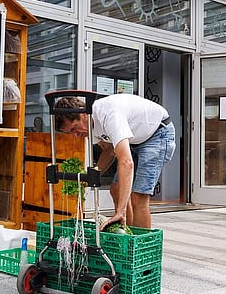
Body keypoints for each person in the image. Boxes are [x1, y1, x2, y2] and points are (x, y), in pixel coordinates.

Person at [54, 93, 176, 229]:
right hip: (136, 138)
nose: (76, 135)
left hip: (157, 133)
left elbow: (126, 163)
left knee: (138, 196)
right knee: (116, 189)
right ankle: (127, 237)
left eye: (74, 128)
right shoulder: (88, 125)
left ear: (83, 115)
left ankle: (140, 245)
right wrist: (91, 177)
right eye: (70, 132)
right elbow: (108, 150)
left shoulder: (109, 115)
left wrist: (120, 210)